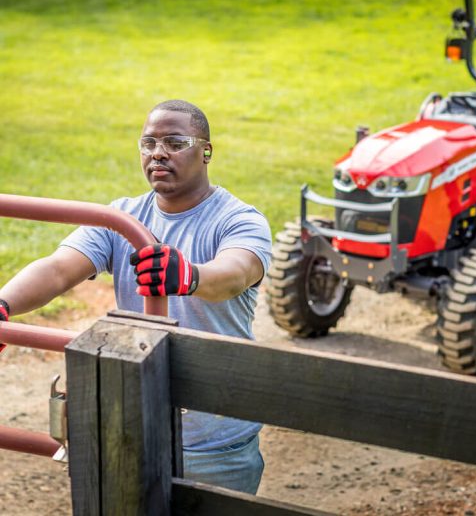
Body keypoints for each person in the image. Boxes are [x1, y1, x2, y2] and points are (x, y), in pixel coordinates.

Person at [0, 99, 272, 494]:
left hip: (214, 441)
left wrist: (189, 275)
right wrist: (3, 304)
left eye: (175, 142)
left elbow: (236, 273)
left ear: (206, 152)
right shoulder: (122, 218)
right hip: (133, 424)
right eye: (148, 143)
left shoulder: (238, 219)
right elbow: (59, 268)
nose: (158, 152)